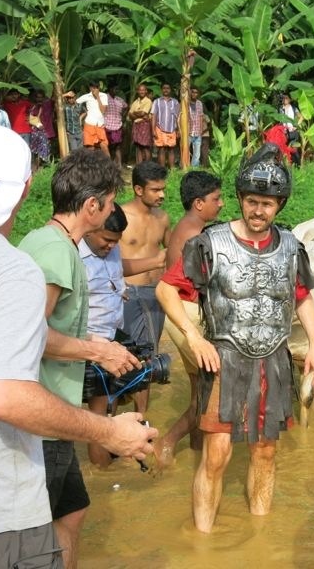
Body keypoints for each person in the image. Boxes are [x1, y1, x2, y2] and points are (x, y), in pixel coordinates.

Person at [0, 126, 156, 569]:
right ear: (25, 188)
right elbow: (11, 382)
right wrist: (107, 424)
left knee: (73, 509)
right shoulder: (16, 264)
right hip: (0, 492)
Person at [158, 143, 314, 532]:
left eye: (267, 204)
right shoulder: (210, 243)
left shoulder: (290, 248)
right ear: (240, 199)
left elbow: (301, 298)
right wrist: (194, 337)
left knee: (266, 451)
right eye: (252, 202)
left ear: (279, 205)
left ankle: (260, 541)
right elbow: (166, 291)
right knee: (216, 454)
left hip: (274, 360)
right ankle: (202, 542)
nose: (258, 211)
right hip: (225, 357)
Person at [16, 147, 151, 569]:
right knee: (38, 526)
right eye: (110, 202)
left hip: (52, 407)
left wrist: (105, 348)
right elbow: (26, 335)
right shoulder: (59, 252)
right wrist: (96, 349)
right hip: (46, 410)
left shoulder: (41, 238)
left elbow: (51, 326)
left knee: (71, 511)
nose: (113, 211)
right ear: (92, 206)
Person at [80, 203, 166, 468]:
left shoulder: (111, 248)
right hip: (88, 343)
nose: (110, 247)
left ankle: (104, 469)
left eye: (115, 243)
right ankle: (102, 471)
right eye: (106, 240)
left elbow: (115, 272)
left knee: (106, 407)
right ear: (89, 229)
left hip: (112, 337)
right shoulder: (73, 257)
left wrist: (121, 287)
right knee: (97, 413)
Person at [154, 171, 224, 467]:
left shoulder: (184, 227)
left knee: (199, 391)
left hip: (179, 313)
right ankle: (166, 444)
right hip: (189, 315)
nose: (221, 204)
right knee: (210, 396)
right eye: (216, 199)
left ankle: (196, 452)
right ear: (198, 203)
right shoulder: (197, 236)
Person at [119, 160, 171, 412]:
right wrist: (155, 260)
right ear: (139, 190)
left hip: (154, 294)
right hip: (127, 293)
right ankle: (110, 417)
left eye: (163, 189)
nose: (161, 195)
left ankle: (141, 419)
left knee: (148, 356)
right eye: (155, 190)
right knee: (121, 355)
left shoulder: (162, 218)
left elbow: (172, 255)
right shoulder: (119, 217)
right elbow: (110, 262)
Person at [74, 82, 109, 156]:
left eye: (96, 87)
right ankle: (91, 165)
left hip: (100, 125)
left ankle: (109, 166)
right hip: (89, 124)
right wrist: (82, 114)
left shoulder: (104, 96)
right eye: (92, 87)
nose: (94, 89)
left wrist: (98, 97)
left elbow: (103, 110)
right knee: (90, 148)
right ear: (90, 88)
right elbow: (75, 102)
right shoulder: (87, 96)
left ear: (99, 88)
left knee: (104, 146)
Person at [151, 82, 179, 169]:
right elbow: (153, 116)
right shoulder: (157, 102)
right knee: (161, 149)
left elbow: (178, 117)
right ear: (161, 90)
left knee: (171, 150)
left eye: (168, 88)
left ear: (170, 90)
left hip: (172, 129)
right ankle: (162, 168)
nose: (166, 90)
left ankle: (172, 169)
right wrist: (153, 130)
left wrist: (179, 130)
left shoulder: (175, 102)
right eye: (164, 88)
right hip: (160, 128)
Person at [103, 84, 128, 167]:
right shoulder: (105, 98)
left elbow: (127, 106)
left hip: (117, 126)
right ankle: (109, 164)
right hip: (107, 126)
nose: (116, 91)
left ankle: (119, 164)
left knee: (117, 146)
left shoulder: (119, 100)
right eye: (114, 89)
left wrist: (123, 116)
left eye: (117, 89)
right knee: (108, 146)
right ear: (110, 89)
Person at [129, 83, 153, 164]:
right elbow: (130, 114)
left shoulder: (148, 101)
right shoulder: (135, 102)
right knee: (138, 146)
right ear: (137, 91)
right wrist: (139, 114)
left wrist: (135, 113)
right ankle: (139, 166)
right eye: (140, 90)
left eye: (143, 90)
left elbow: (143, 113)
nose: (141, 91)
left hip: (144, 125)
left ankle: (148, 165)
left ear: (146, 91)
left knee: (145, 146)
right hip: (136, 125)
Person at [29, 90, 52, 172]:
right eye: (37, 97)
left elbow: (54, 99)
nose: (39, 99)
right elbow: (30, 118)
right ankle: (35, 169)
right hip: (35, 132)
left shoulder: (47, 105)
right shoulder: (33, 107)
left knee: (44, 151)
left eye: (41, 97)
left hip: (45, 132)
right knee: (35, 152)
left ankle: (42, 169)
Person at [188, 86, 204, 167]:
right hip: (188, 132)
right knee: (185, 151)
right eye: (192, 92)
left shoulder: (199, 103)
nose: (194, 94)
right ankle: (185, 167)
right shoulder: (185, 103)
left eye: (196, 92)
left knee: (197, 153)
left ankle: (194, 169)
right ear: (189, 92)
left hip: (197, 132)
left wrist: (201, 129)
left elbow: (201, 116)